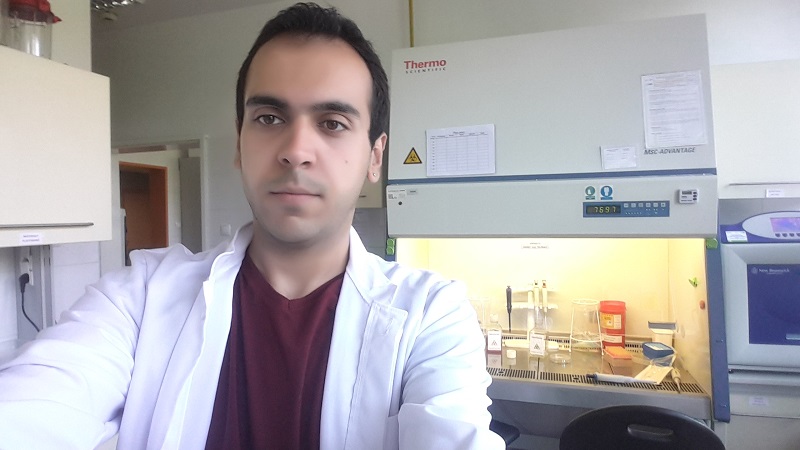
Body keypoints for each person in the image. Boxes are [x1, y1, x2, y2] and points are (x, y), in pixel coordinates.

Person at [0, 3, 504, 449]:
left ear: (375, 157)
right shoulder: (140, 298)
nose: (296, 150)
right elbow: (31, 409)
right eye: (269, 118)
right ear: (240, 142)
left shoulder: (430, 315)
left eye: (332, 123)